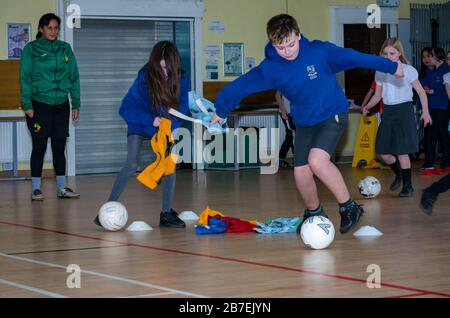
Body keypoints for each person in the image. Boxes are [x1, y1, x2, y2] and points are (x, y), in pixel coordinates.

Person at [210, 14, 404, 234]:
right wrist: (220, 110)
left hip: (332, 113)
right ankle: (314, 213)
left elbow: (356, 57)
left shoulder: (320, 52)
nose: (287, 51)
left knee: (317, 161)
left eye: (291, 44)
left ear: (298, 34)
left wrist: (390, 66)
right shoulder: (272, 67)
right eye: (280, 47)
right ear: (273, 43)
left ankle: (349, 207)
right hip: (305, 121)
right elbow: (243, 85)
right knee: (301, 174)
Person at [93, 41, 190, 228]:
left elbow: (182, 109)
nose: (165, 73)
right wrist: (150, 119)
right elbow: (125, 108)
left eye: (168, 68)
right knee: (132, 164)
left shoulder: (182, 78)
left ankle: (166, 214)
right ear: (155, 64)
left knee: (169, 163)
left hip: (163, 127)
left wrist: (170, 126)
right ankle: (105, 209)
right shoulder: (144, 78)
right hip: (140, 122)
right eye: (161, 68)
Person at [20, 13, 80, 201]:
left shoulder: (65, 49)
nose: (53, 31)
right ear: (41, 29)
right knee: (39, 146)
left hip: (62, 105)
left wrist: (76, 102)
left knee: (59, 146)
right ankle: (36, 189)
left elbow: (74, 77)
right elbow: (25, 78)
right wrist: (27, 104)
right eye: (49, 28)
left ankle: (62, 188)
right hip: (39, 106)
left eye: (56, 28)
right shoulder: (32, 49)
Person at [362, 38, 432, 197]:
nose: (388, 57)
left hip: (404, 111)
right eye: (385, 53)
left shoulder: (409, 70)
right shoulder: (380, 71)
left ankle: (408, 186)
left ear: (399, 53)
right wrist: (368, 105)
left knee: (402, 152)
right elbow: (378, 95)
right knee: (383, 151)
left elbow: (421, 92)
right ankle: (399, 174)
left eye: (392, 53)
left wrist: (426, 112)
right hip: (388, 112)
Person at [420, 48, 450, 171]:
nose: (428, 59)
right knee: (431, 135)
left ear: (437, 58)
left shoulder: (446, 70)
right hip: (432, 107)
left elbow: (445, 90)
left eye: (430, 56)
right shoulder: (435, 71)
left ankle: (446, 161)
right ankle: (430, 162)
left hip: (442, 107)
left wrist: (431, 91)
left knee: (443, 135)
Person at [275, 91, 295, 168]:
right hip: (287, 112)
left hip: (296, 111)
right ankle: (298, 162)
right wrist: (283, 111)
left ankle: (281, 159)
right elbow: (277, 95)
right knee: (292, 135)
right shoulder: (284, 79)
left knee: (290, 136)